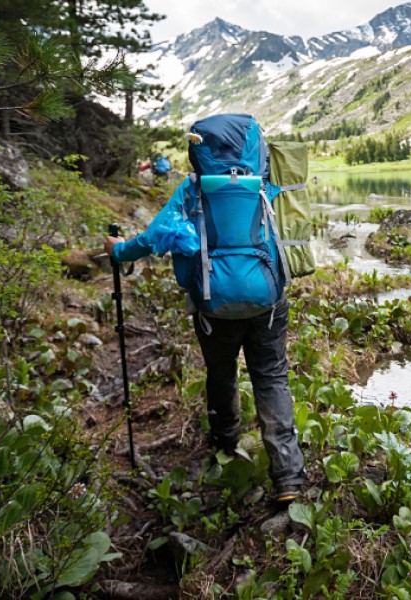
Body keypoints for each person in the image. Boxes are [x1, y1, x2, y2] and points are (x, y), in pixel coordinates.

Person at [103, 180, 305, 505]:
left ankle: (226, 446)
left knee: (221, 372)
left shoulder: (194, 187)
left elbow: (157, 235)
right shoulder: (265, 182)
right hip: (267, 298)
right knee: (271, 377)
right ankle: (288, 477)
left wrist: (119, 250)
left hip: (214, 302)